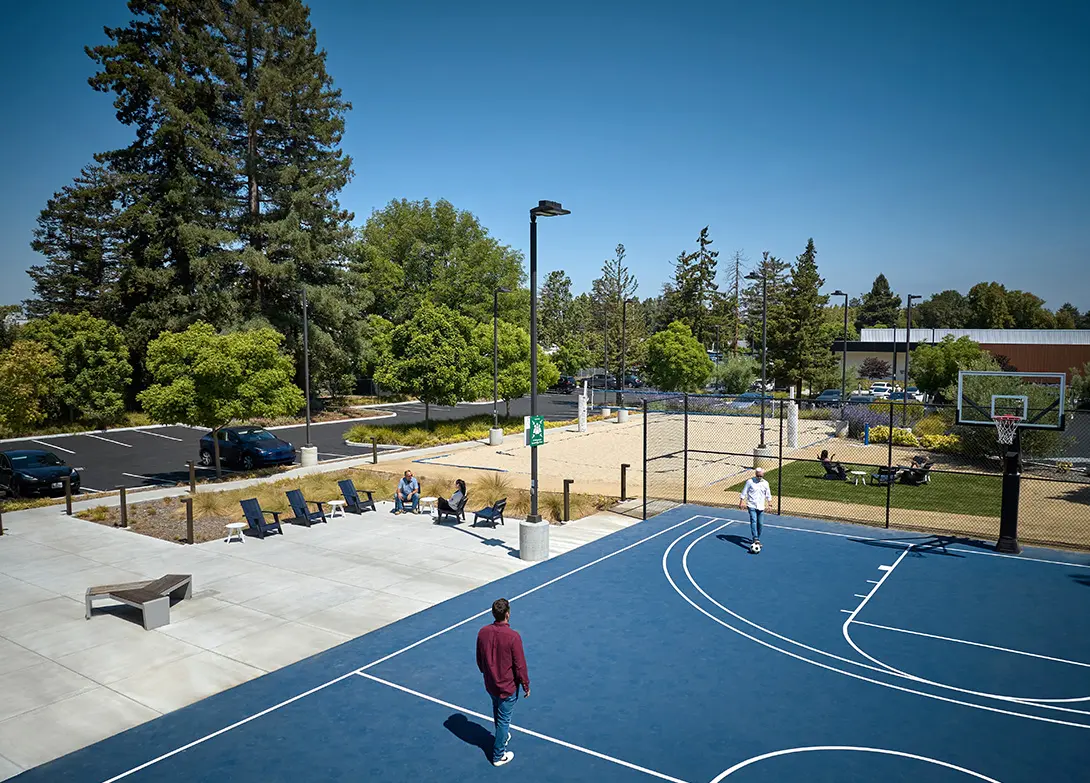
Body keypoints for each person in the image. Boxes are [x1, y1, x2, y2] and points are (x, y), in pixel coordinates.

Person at [476, 597, 530, 768]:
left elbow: (479, 658)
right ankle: (498, 755)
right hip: (507, 687)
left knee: (497, 711)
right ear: (508, 614)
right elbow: (520, 664)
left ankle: (502, 735)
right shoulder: (513, 637)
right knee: (504, 719)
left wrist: (486, 673)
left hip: (491, 684)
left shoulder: (483, 632)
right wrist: (526, 685)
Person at [739, 467, 773, 550]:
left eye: (761, 476)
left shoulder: (765, 483)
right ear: (755, 474)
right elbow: (744, 491)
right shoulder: (750, 482)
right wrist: (741, 501)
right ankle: (755, 539)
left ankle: (757, 538)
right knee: (753, 521)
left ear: (763, 475)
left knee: (760, 524)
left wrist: (769, 504)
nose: (759, 477)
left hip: (761, 506)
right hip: (751, 505)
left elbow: (768, 494)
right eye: (758, 476)